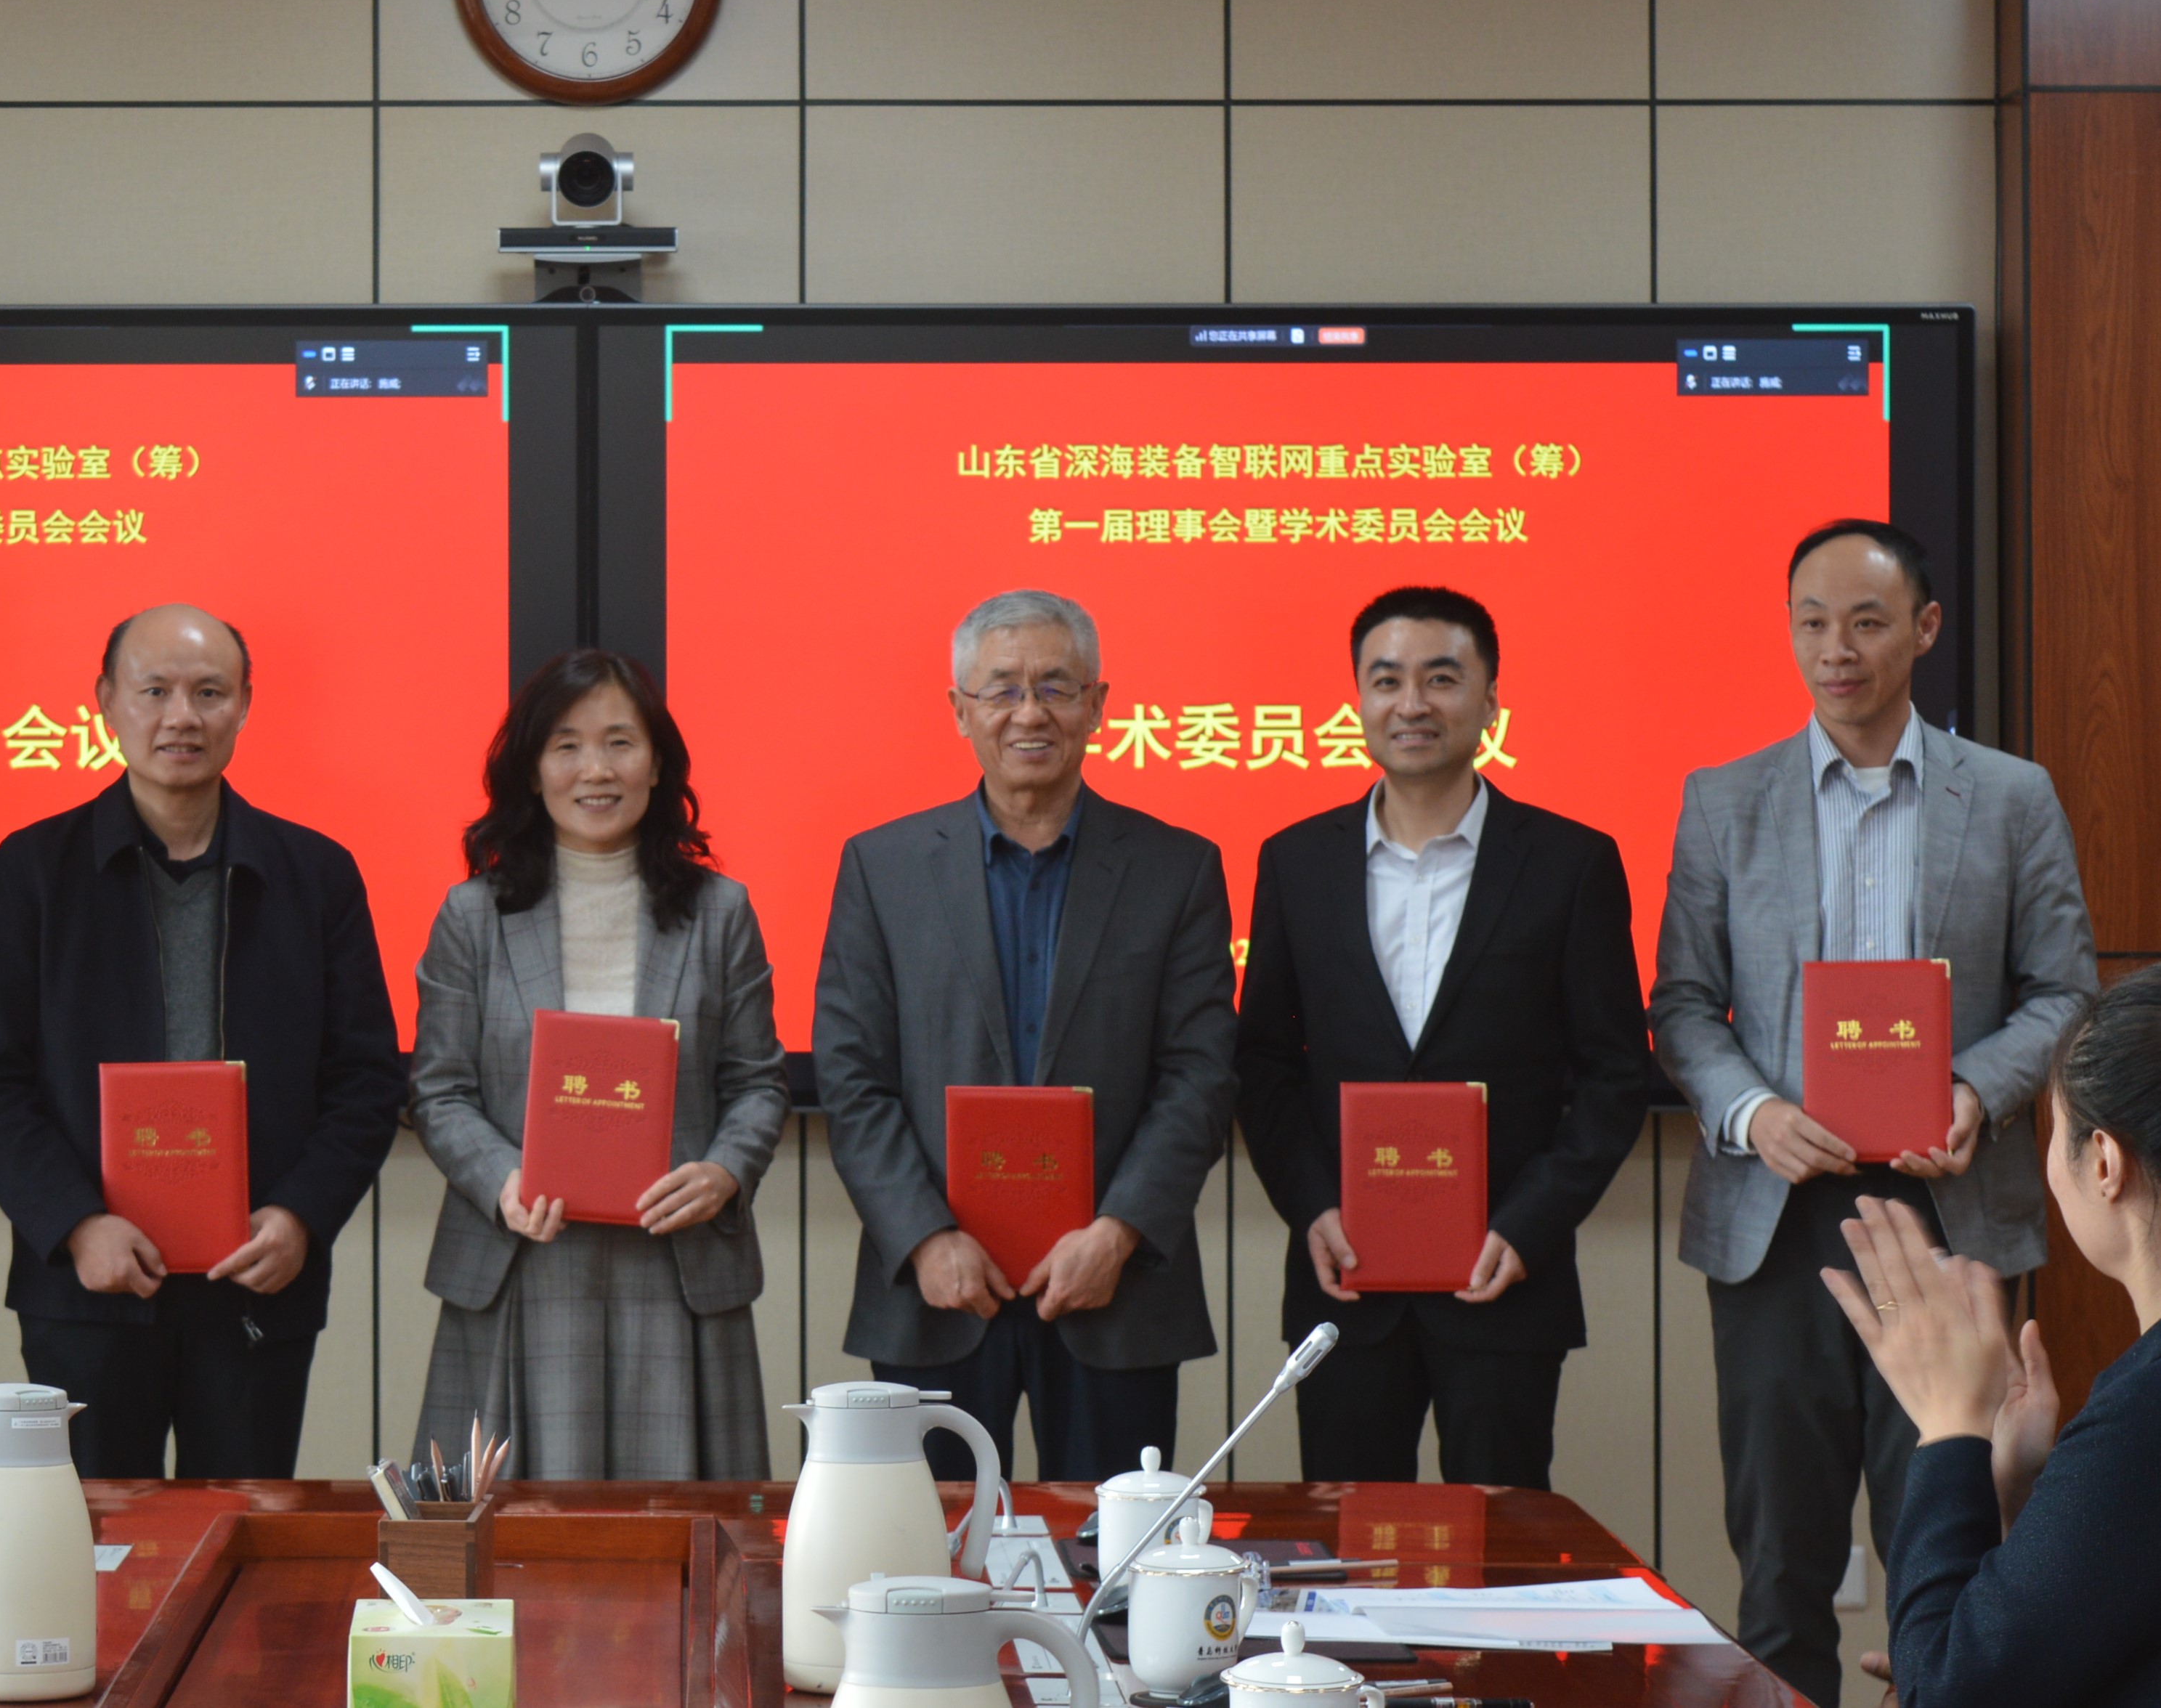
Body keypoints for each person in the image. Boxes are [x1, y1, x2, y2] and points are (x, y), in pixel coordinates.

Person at [1653, 518, 2096, 1707]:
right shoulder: (1724, 799)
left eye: (1864, 622)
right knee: (1779, 1564)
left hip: (1950, 1213)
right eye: (1811, 622)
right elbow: (1682, 1005)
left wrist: (1975, 1090)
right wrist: (1753, 1112)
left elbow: (2064, 990)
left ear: (1924, 628)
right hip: (1776, 1219)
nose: (1834, 649)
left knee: (1947, 1547)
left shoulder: (2008, 798)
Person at [0, 605, 402, 1477]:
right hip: (86, 1284)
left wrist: (301, 1215)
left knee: (243, 1527)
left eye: (209, 693)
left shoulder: (316, 873)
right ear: (106, 702)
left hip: (257, 1279)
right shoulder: (34, 870)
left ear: (245, 705)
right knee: (92, 1533)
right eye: (154, 691)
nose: (181, 717)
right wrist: (76, 1223)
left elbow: (366, 1078)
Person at [813, 589, 1238, 1483]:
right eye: (1002, 689)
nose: (1029, 712)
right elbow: (851, 1076)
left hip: (1113, 1288)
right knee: (930, 1547)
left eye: (1055, 686)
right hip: (937, 1290)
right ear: (959, 709)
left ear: (1099, 703)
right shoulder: (883, 867)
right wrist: (925, 1237)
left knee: (1111, 1548)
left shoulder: (1177, 867)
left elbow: (1199, 1076)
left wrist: (1117, 1233)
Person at [1237, 587, 1651, 1489]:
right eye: (1387, 680)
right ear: (1358, 698)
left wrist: (1529, 1224)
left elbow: (1616, 1073)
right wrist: (1312, 1206)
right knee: (1349, 1541)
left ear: (1490, 698)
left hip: (1502, 1278)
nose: (1412, 703)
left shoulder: (1570, 862)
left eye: (1441, 678)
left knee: (1500, 1544)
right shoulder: (1296, 861)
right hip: (1345, 1278)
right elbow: (1263, 1062)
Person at [408, 651, 792, 1480]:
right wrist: (503, 1181)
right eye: (567, 745)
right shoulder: (473, 916)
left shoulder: (721, 912)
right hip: (523, 1256)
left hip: (677, 1258)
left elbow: (758, 1082)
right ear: (532, 769)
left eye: (620, 742)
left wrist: (724, 1172)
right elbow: (440, 1090)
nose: (596, 769)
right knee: (515, 1535)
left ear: (657, 765)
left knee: (686, 1532)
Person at [1820, 966, 2161, 1705]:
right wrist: (2016, 1495)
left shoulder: (2141, 1417)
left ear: (2104, 1163)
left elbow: (1947, 1692)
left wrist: (1951, 1426)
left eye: (2051, 1130)